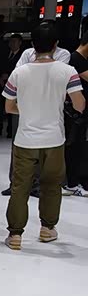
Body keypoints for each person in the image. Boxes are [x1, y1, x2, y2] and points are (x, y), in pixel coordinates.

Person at [2, 22, 85, 250]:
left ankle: (15, 235)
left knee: (20, 186)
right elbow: (79, 105)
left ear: (32, 45)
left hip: (25, 139)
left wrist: (28, 110)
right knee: (52, 185)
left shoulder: (19, 72)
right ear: (56, 45)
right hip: (54, 139)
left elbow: (9, 107)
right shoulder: (67, 71)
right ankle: (47, 229)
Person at [64, 30, 88, 196]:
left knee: (79, 146)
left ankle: (77, 180)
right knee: (74, 146)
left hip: (82, 112)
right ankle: (72, 182)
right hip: (76, 112)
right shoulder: (75, 59)